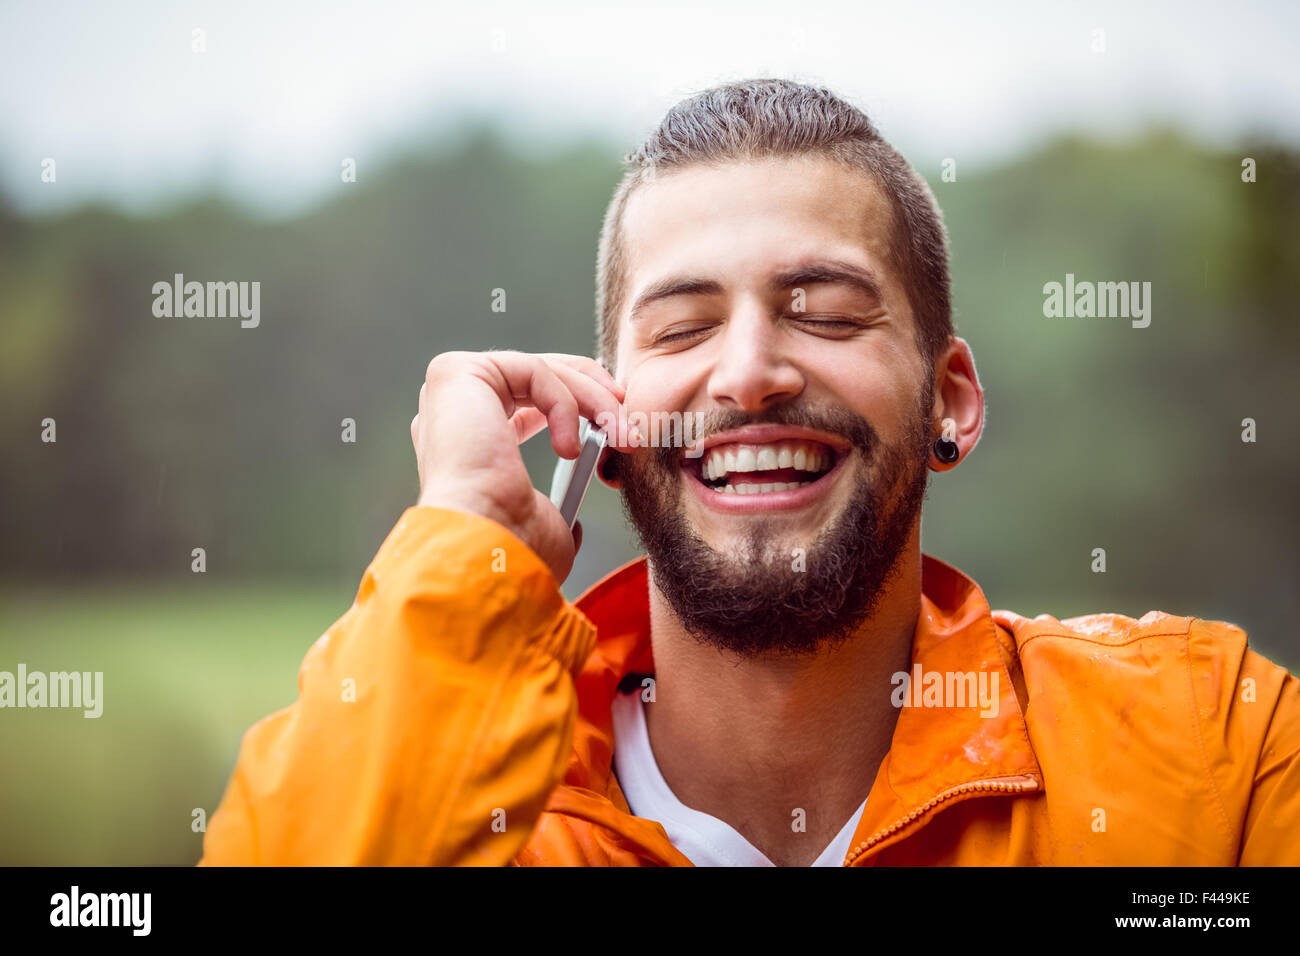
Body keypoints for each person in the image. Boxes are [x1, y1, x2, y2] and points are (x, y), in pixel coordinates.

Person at [200, 78, 1298, 866]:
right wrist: (467, 548)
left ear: (947, 399)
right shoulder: (477, 809)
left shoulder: (1213, 752)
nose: (750, 371)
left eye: (821, 310)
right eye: (680, 329)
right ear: (608, 422)